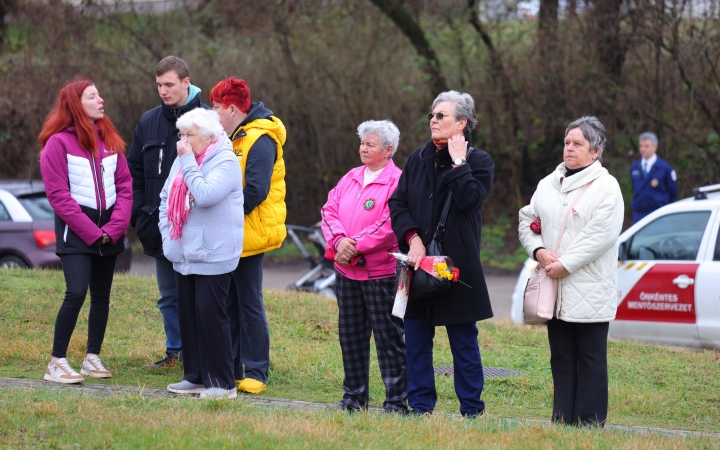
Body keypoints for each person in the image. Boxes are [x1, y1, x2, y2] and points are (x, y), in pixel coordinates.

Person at [388, 91, 494, 418]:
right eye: (432, 115)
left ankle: (472, 411)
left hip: (456, 269)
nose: (433, 120)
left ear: (461, 122)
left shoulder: (479, 161)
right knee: (417, 340)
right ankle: (421, 407)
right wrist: (413, 238)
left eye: (441, 116)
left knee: (463, 341)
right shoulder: (418, 158)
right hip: (420, 264)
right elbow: (398, 204)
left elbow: (469, 200)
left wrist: (459, 162)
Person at [518, 116, 624, 427]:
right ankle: (562, 419)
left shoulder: (607, 187)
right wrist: (537, 250)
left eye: (578, 144)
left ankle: (589, 422)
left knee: (590, 359)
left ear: (596, 151)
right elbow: (528, 221)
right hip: (554, 287)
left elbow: (600, 234)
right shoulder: (548, 184)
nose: (569, 149)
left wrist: (564, 263)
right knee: (561, 356)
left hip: (589, 287)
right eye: (567, 143)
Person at [39, 77, 132, 384]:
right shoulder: (57, 143)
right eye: (93, 96)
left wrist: (114, 228)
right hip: (77, 234)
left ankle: (92, 357)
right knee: (76, 292)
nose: (101, 100)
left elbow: (125, 186)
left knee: (101, 296)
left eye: (99, 94)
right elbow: (58, 196)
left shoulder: (110, 140)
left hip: (110, 234)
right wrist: (92, 232)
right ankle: (57, 362)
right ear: (77, 105)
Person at [320, 120, 407, 414]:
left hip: (380, 274)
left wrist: (354, 245)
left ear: (389, 149)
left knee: (389, 339)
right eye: (362, 143)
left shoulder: (397, 181)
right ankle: (354, 398)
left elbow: (390, 225)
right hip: (347, 272)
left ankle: (396, 400)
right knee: (351, 337)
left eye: (370, 144)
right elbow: (329, 210)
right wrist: (339, 241)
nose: (363, 149)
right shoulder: (351, 177)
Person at [128, 56, 209, 368]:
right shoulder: (148, 121)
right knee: (168, 296)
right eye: (159, 84)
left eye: (169, 84)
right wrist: (139, 214)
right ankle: (175, 352)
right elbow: (133, 171)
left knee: (202, 296)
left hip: (198, 223)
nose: (163, 90)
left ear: (186, 83)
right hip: (158, 226)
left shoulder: (205, 121)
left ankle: (202, 353)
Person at [209, 77, 287, 394]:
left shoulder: (261, 139)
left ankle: (257, 371)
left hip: (251, 233)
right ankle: (233, 367)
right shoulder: (231, 136)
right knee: (230, 303)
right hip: (232, 232)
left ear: (231, 108)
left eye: (215, 108)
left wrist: (218, 211)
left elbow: (255, 190)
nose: (212, 114)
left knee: (249, 302)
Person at [160, 108, 244, 399]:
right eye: (180, 134)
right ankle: (195, 377)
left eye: (189, 135)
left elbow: (206, 195)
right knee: (189, 317)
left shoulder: (225, 160)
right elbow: (166, 196)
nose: (182, 140)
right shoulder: (185, 160)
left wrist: (186, 160)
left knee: (211, 316)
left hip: (214, 253)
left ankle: (223, 383)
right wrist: (166, 235)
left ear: (208, 136)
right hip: (183, 253)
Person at [630, 132, 678, 224]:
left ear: (655, 147)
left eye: (646, 146)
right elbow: (635, 187)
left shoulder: (664, 167)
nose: (643, 149)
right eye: (641, 146)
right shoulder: (635, 167)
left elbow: (673, 192)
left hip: (658, 214)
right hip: (640, 214)